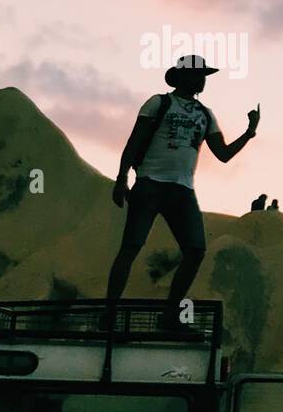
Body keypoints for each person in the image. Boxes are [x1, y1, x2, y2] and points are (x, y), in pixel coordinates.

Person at [105, 54, 259, 329]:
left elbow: (222, 154)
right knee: (130, 247)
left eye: (204, 76)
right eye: (198, 75)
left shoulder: (205, 114)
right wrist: (121, 178)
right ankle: (109, 313)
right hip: (150, 182)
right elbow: (134, 140)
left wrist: (249, 132)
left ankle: (169, 315)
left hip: (182, 190)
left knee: (196, 249)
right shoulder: (159, 102)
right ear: (182, 76)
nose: (202, 80)